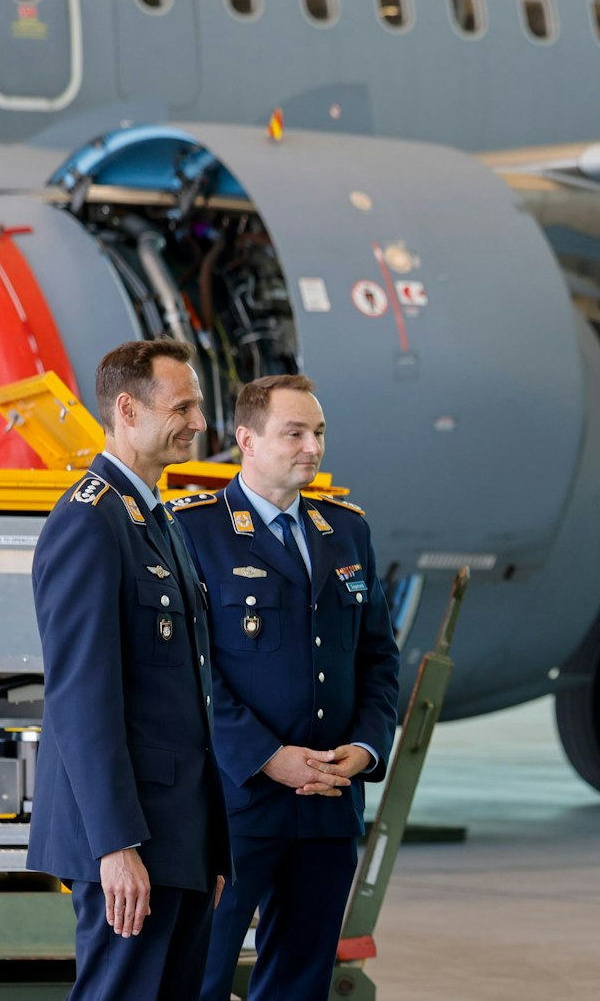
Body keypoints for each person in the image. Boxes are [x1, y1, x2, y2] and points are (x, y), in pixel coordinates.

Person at [171, 375, 403, 1001]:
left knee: (302, 980)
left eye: (319, 432)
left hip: (329, 797)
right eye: (294, 433)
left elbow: (378, 658)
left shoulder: (346, 531)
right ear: (246, 439)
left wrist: (365, 747)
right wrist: (267, 757)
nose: (313, 447)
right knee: (202, 971)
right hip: (236, 802)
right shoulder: (193, 532)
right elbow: (187, 671)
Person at [28, 339, 231, 1001]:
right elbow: (83, 700)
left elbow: (188, 693)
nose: (200, 422)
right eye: (183, 406)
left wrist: (213, 846)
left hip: (179, 839)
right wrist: (115, 844)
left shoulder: (158, 517)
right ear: (126, 409)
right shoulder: (89, 522)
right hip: (131, 842)